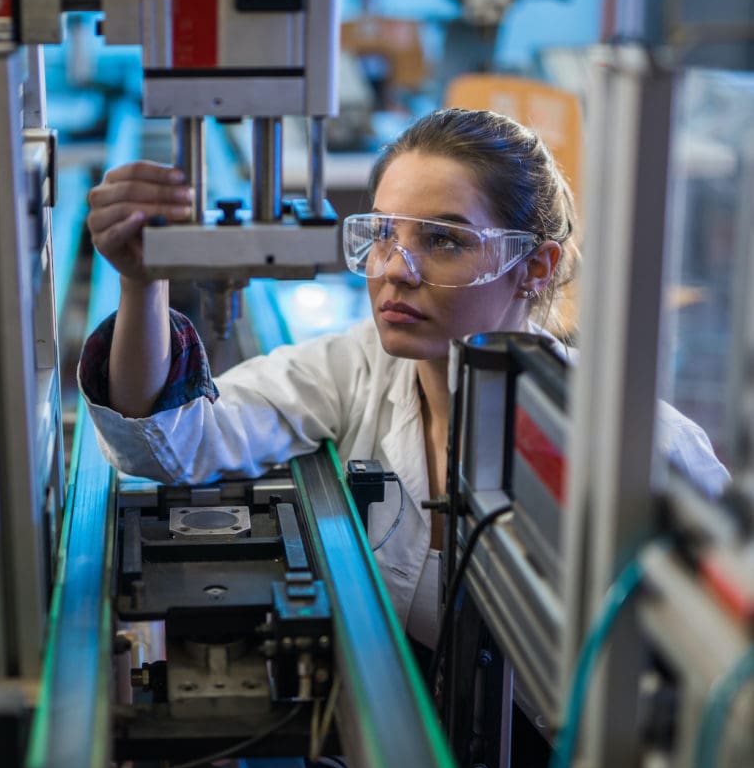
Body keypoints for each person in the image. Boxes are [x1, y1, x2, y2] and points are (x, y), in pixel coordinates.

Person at [78, 107, 729, 646]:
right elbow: (173, 443)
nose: (395, 268)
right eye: (384, 235)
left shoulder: (649, 451)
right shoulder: (356, 369)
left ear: (534, 267)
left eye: (443, 241)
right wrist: (142, 283)